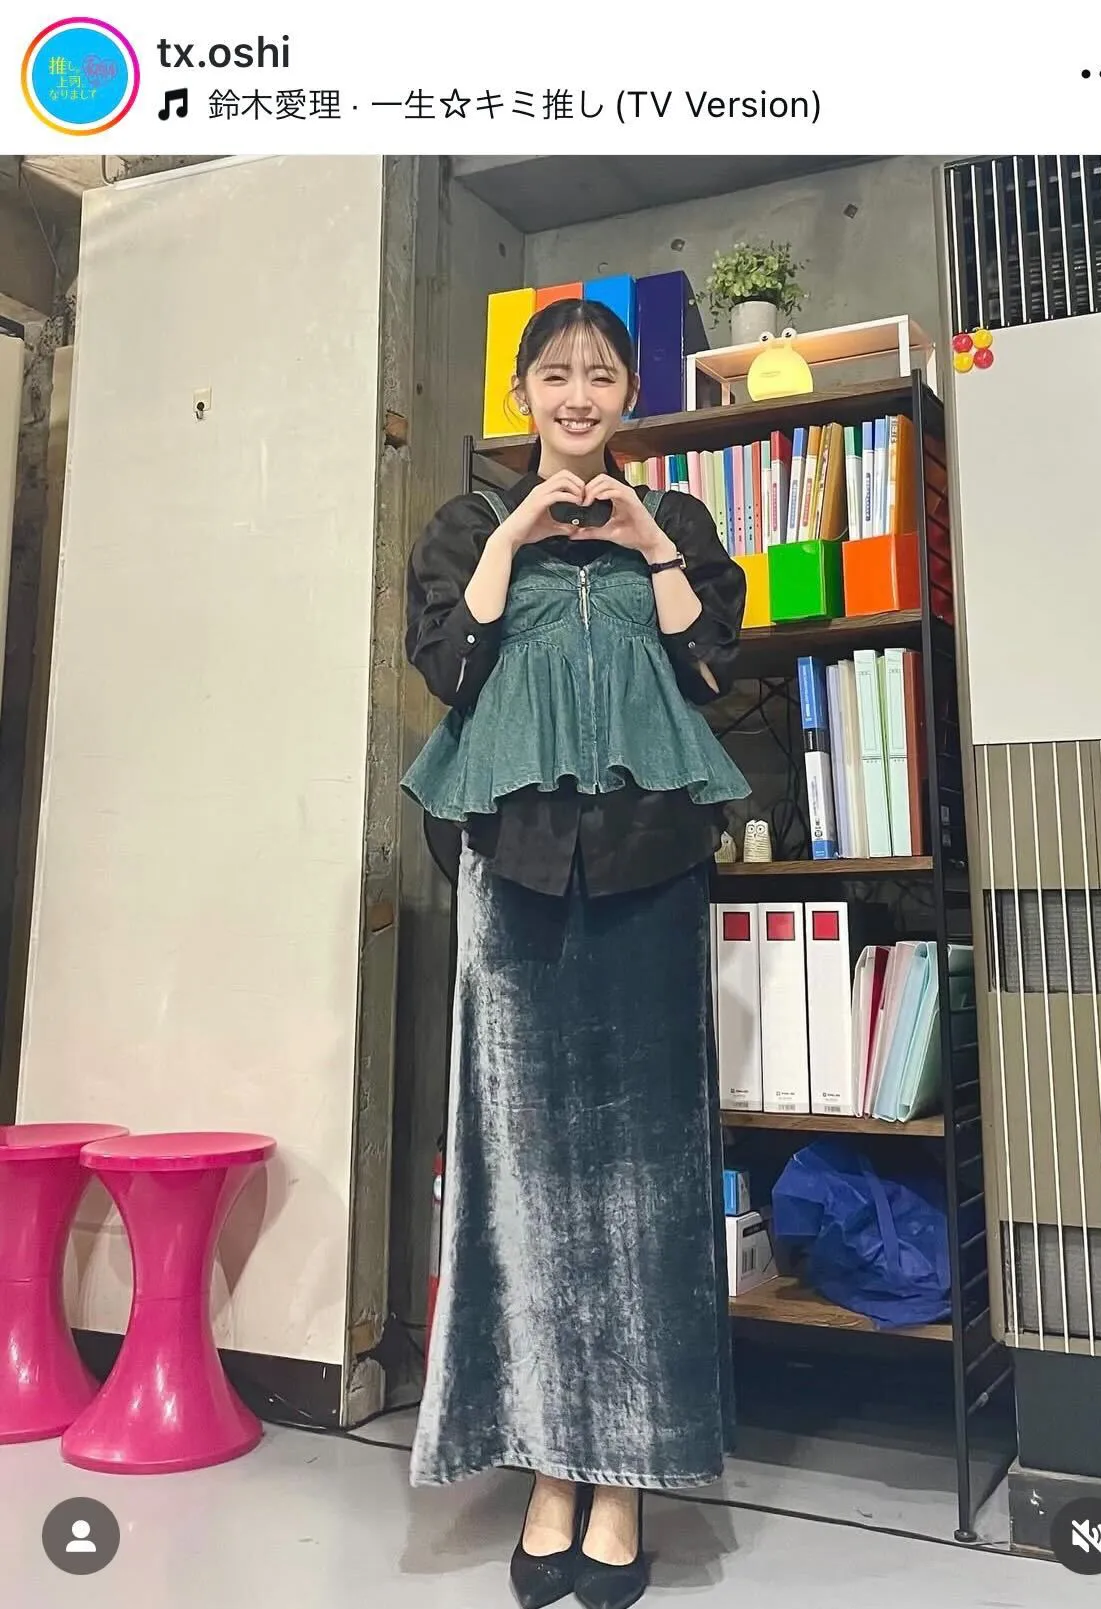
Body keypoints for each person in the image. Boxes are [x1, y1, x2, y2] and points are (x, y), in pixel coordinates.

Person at [401, 298, 750, 1609]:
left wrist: (649, 541)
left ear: (628, 395)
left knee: (649, 1184)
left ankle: (627, 1482)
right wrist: (514, 534)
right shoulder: (466, 524)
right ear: (522, 393)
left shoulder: (682, 524)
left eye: (601, 375)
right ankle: (550, 1467)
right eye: (554, 375)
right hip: (516, 870)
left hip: (654, 865)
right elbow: (449, 667)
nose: (577, 394)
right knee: (527, 1183)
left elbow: (716, 671)